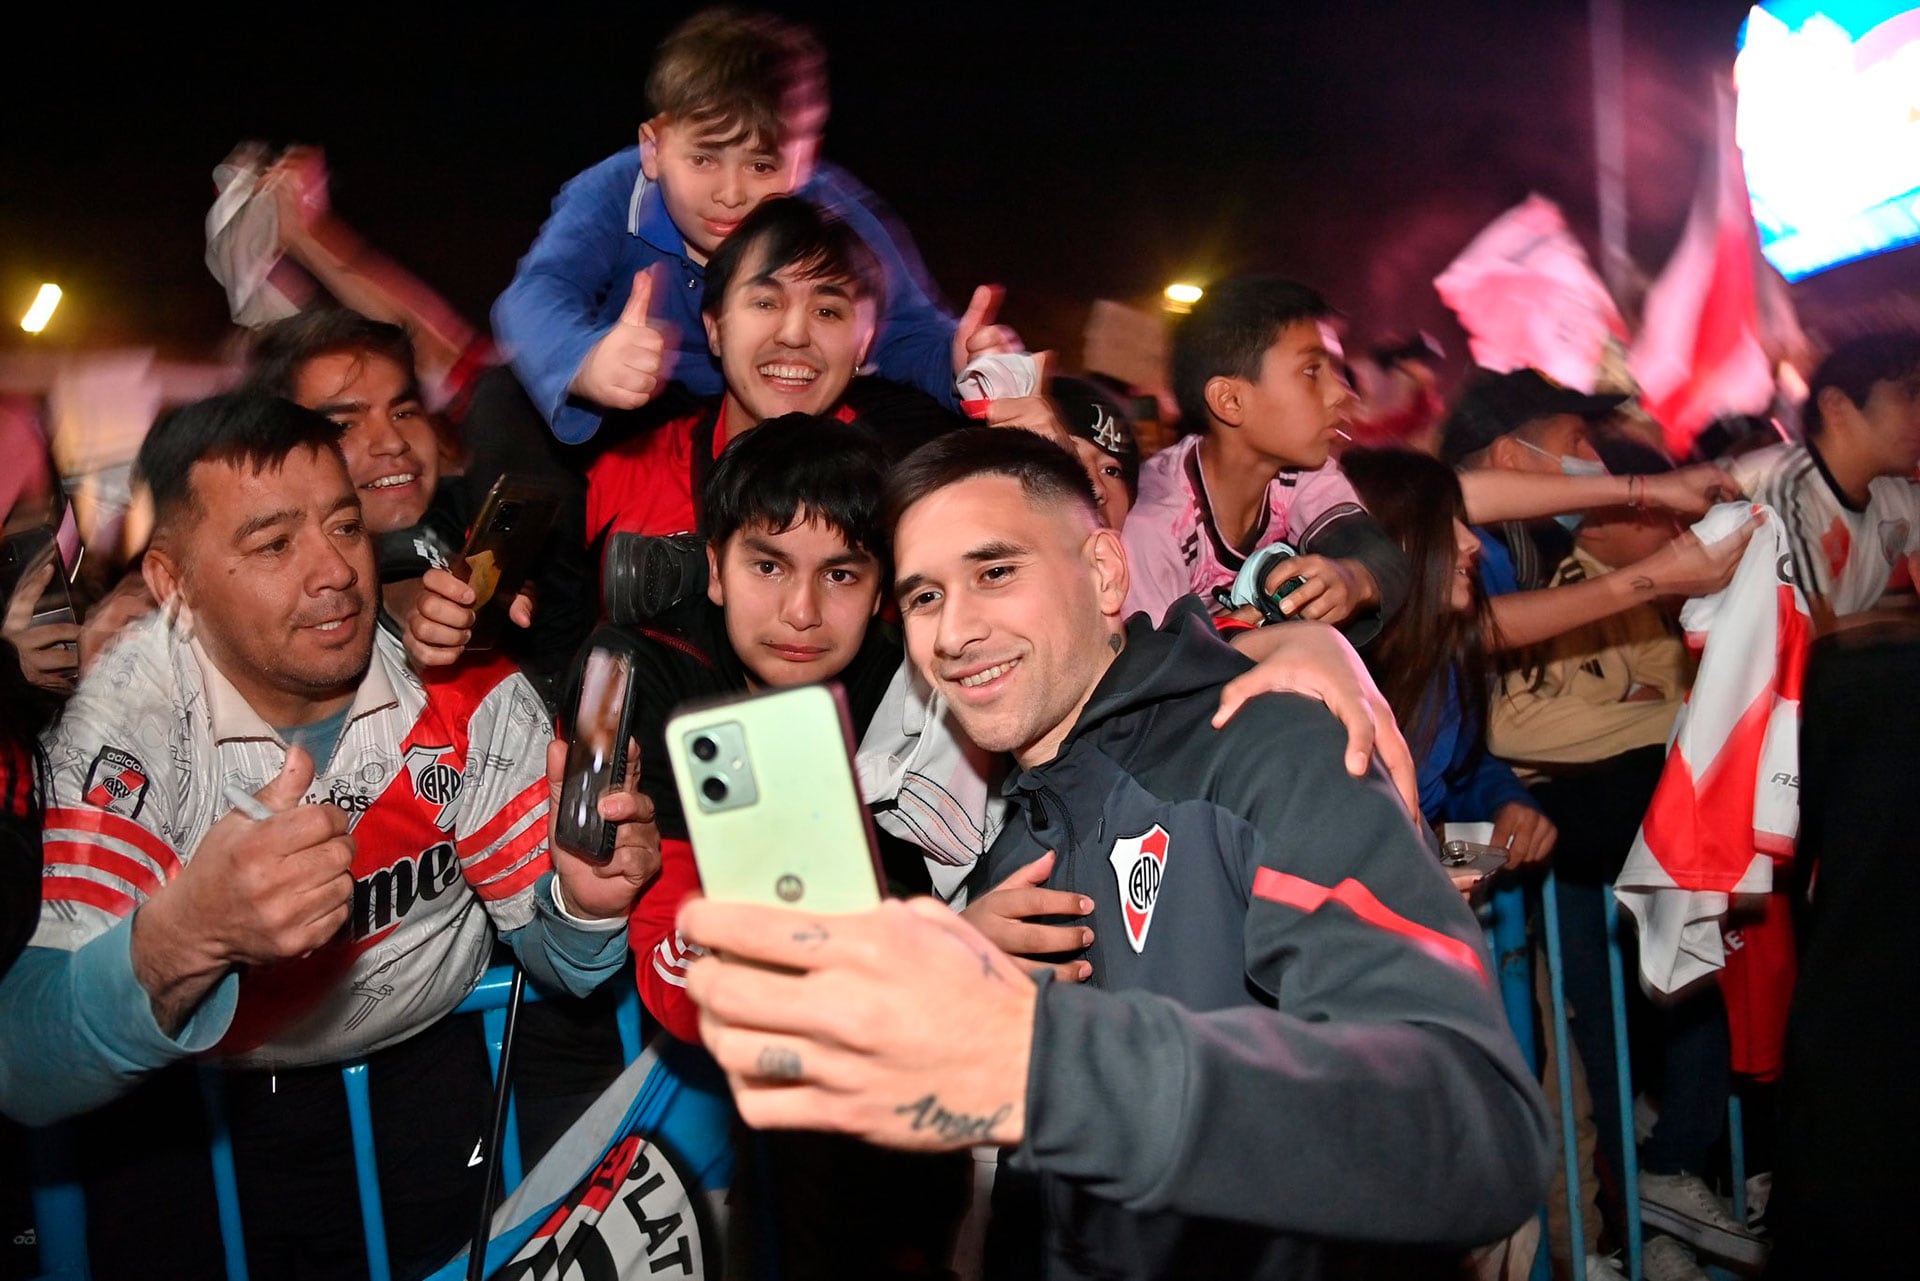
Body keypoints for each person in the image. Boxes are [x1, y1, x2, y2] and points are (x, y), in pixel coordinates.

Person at [678, 427, 1550, 1280]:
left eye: (994, 572)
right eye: (924, 598)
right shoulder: (1016, 842)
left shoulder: (1263, 748)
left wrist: (1036, 1059)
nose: (954, 632)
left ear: (1102, 571)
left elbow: (1472, 1123)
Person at [0, 394, 655, 1277]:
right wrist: (185, 938)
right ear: (171, 580)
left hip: (429, 1097)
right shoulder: (124, 730)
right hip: (202, 1131)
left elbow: (566, 963)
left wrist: (584, 901)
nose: (334, 572)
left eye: (343, 527)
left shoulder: (464, 691)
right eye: (273, 544)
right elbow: (21, 1063)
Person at [1485, 437, 1757, 1278]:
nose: (1663, 528)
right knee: (1587, 1039)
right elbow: (1511, 729)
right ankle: (1628, 1215)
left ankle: (1670, 1186)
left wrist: (1642, 726)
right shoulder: (1514, 576)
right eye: (1644, 513)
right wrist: (1644, 728)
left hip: (1619, 834)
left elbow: (1672, 696)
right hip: (1554, 853)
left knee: (1687, 992)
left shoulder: (1636, 603)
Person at [493, 7, 1015, 445]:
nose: (731, 192)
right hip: (644, 402)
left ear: (804, 161)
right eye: (704, 159)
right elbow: (536, 292)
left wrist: (957, 360)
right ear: (653, 149)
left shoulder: (834, 219)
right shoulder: (610, 194)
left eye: (762, 166)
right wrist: (586, 361)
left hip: (775, 403)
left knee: (916, 424)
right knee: (503, 400)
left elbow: (904, 331)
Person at [1124, 274, 1410, 642]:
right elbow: (1158, 683)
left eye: (1337, 370)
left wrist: (1353, 579)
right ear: (1230, 401)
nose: (1342, 392)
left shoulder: (1300, 475)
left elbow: (1382, 559)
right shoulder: (1156, 527)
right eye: (1312, 371)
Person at [1340, 447, 1555, 869]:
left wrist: (1505, 802)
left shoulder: (1439, 660)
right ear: (1385, 540)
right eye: (1442, 525)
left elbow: (1458, 769)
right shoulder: (1326, 679)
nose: (1472, 542)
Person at [1439, 368, 1756, 651]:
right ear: (1510, 458)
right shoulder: (1453, 549)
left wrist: (1653, 490)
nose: (1595, 460)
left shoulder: (1532, 552)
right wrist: (1659, 575)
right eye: (1575, 441)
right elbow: (1474, 631)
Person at [1720, 330, 1920, 623]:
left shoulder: (1896, 493)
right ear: (1836, 406)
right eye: (1910, 394)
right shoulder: (1781, 486)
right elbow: (1810, 637)